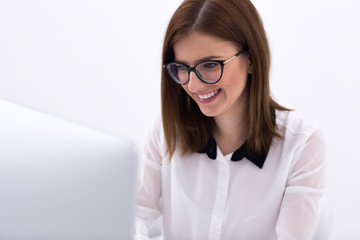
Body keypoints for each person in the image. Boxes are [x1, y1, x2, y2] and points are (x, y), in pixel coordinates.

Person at [134, 0, 326, 239]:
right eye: (182, 67)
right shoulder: (166, 130)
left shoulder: (302, 144)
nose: (193, 85)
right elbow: (137, 216)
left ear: (252, 60)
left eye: (211, 65)